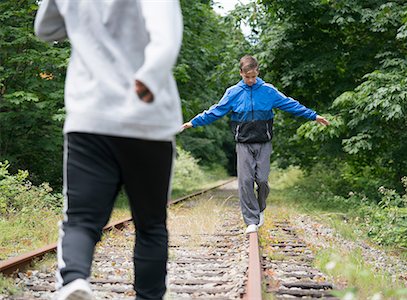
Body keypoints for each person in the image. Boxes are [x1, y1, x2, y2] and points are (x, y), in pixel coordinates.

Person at [34, 0, 183, 299]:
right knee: (151, 225)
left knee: (81, 219)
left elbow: (45, 29)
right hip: (147, 119)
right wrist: (148, 76)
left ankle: (74, 279)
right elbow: (167, 36)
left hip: (90, 116)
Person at [181, 55, 329, 234]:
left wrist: (313, 116)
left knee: (262, 180)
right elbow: (216, 111)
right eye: (247, 77)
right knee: (245, 181)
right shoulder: (233, 92)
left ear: (258, 72)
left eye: (253, 76)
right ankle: (251, 220)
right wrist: (193, 122)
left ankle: (260, 209)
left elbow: (290, 104)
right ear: (241, 73)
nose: (250, 80)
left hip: (263, 142)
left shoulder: (268, 91)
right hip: (243, 143)